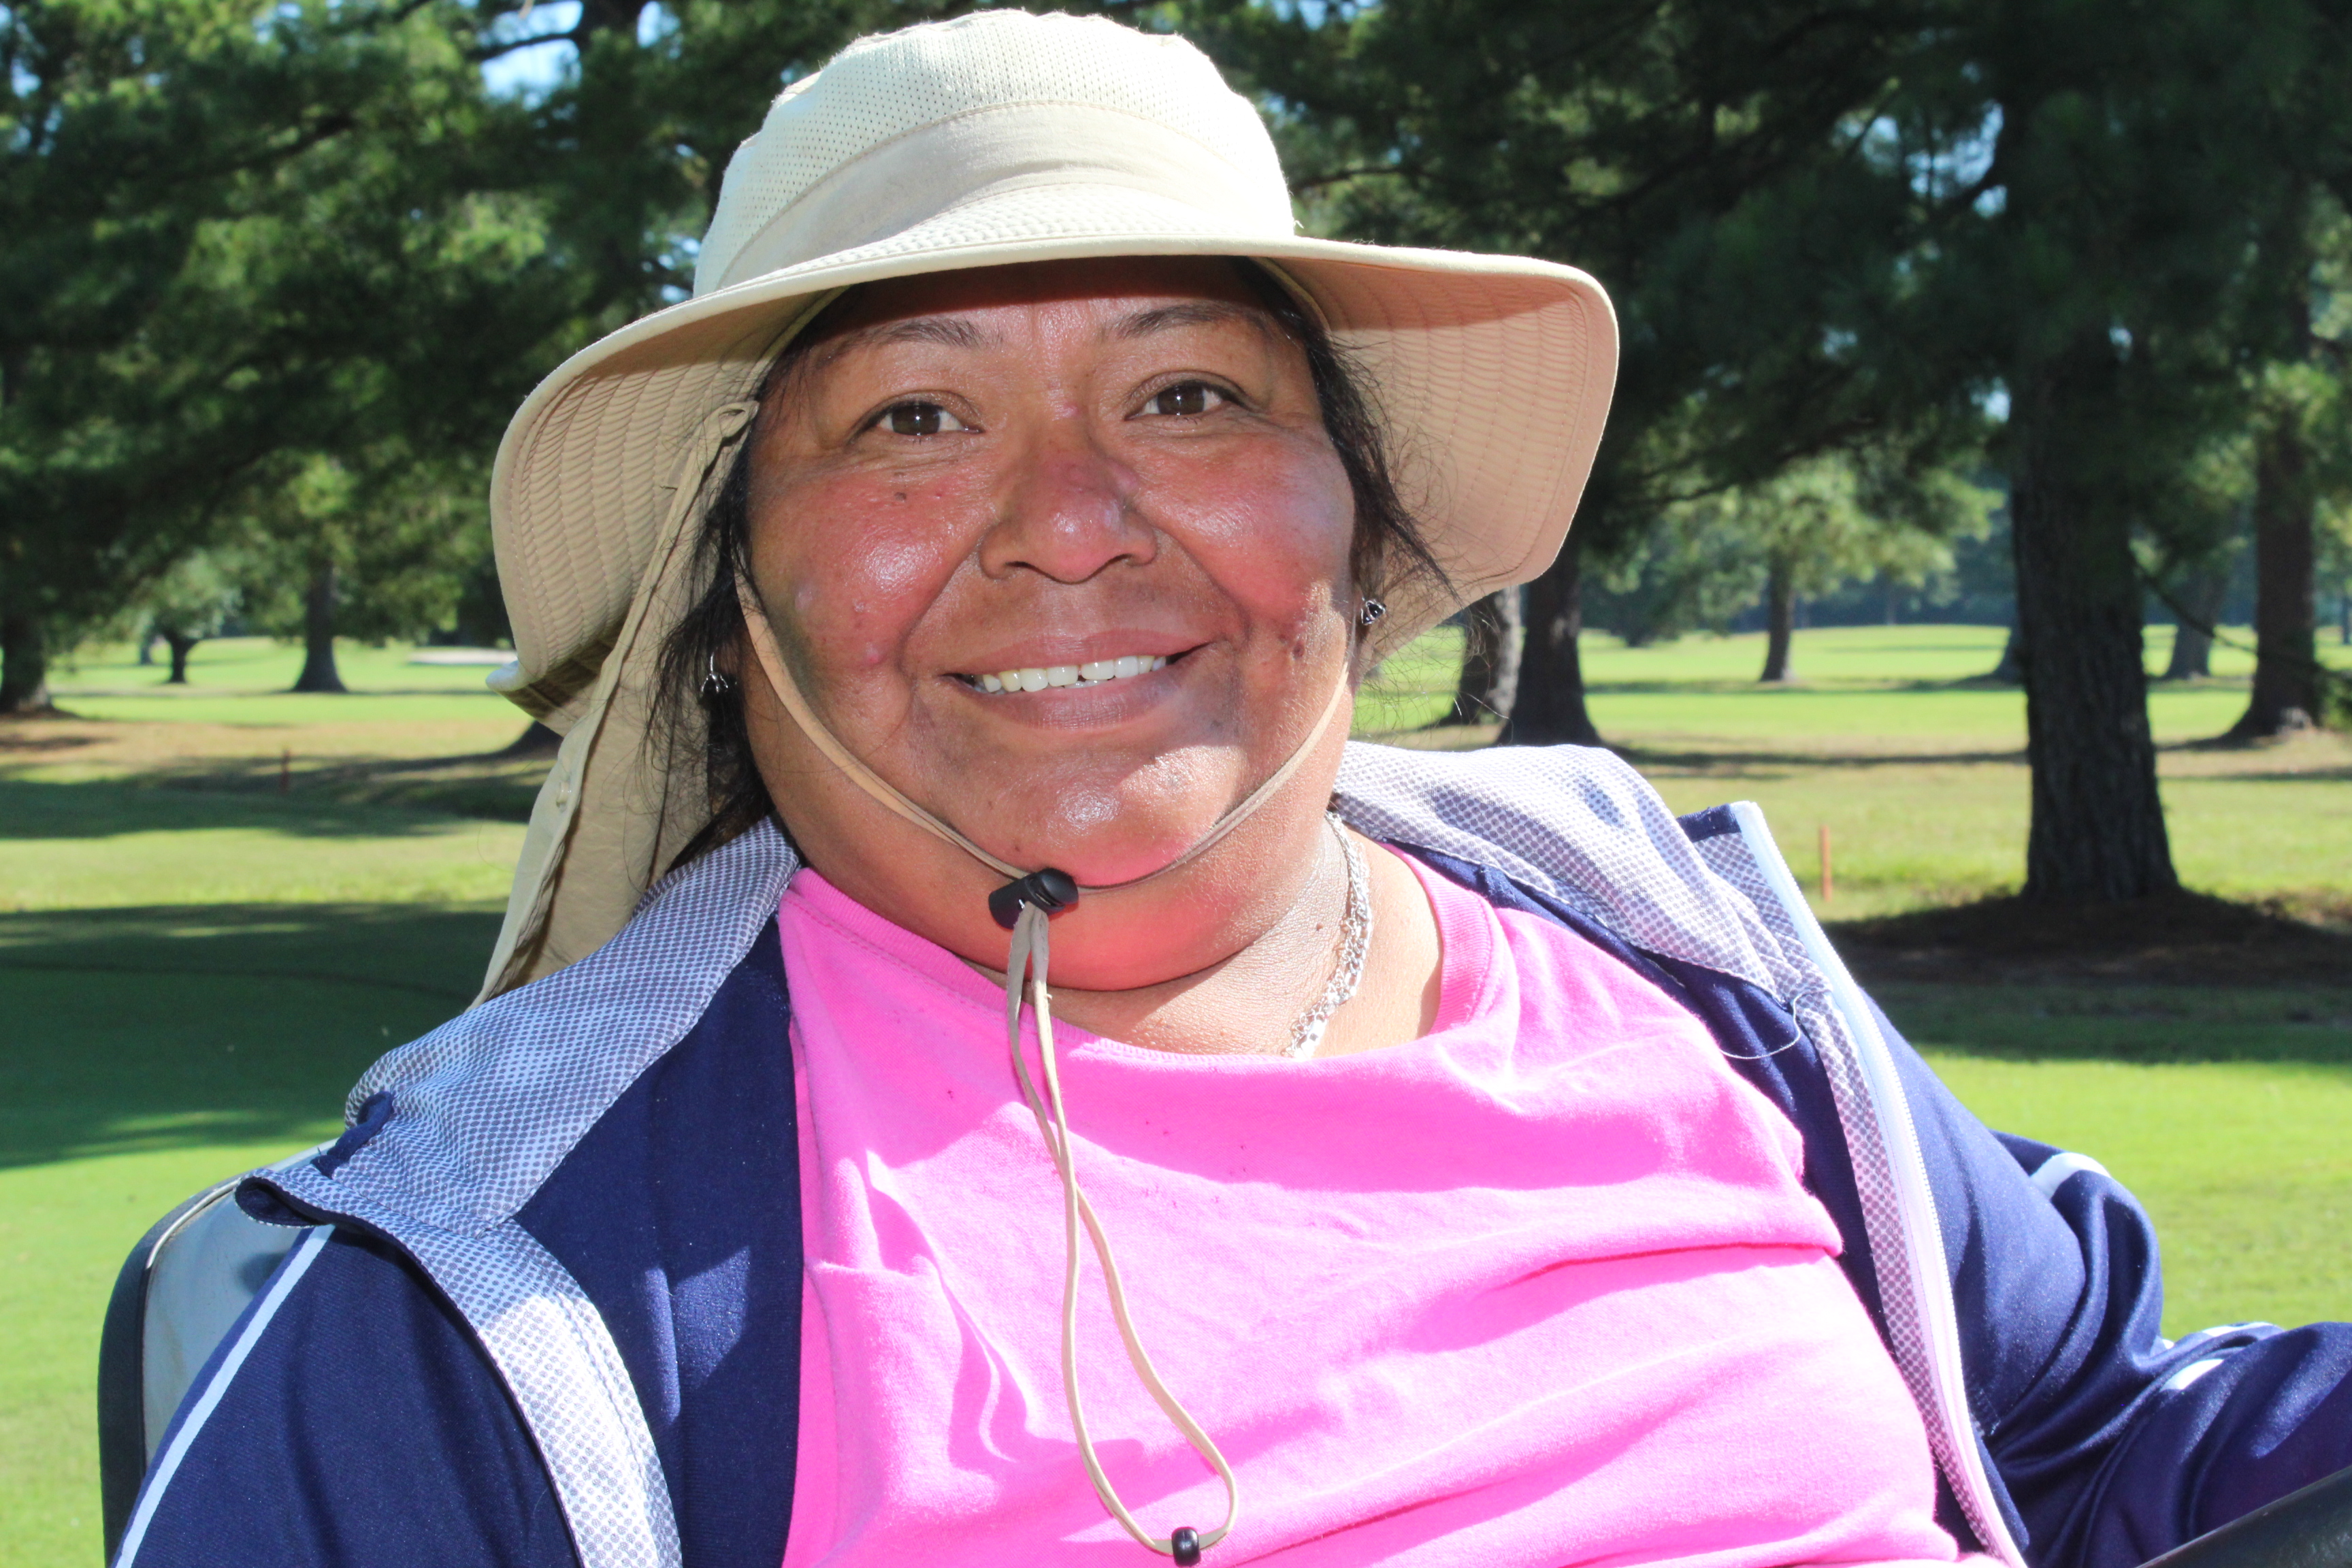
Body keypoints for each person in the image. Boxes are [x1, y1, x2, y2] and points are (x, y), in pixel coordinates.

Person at [112, 14, 2351, 1568]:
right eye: (912, 418)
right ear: (728, 607)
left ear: (1359, 547)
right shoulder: (492, 1287)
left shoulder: (1668, 944)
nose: (1073, 519)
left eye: (1188, 393)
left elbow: (2101, 1439)